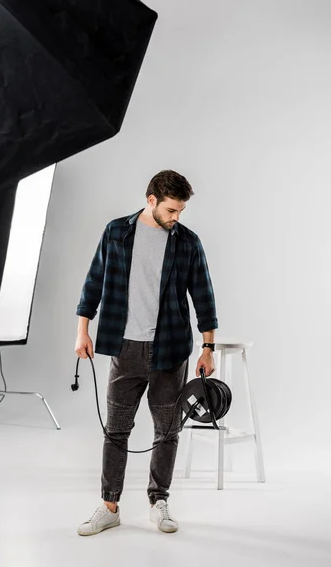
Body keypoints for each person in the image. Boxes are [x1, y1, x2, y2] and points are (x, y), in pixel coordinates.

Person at [74, 170, 218, 535]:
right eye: (171, 210)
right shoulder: (116, 233)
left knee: (167, 431)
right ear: (151, 200)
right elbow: (93, 282)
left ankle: (160, 502)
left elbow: (203, 296)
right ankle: (109, 505)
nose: (176, 218)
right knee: (116, 430)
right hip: (124, 348)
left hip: (171, 351)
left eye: (181, 211)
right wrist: (82, 331)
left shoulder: (187, 242)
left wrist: (208, 347)